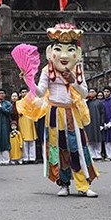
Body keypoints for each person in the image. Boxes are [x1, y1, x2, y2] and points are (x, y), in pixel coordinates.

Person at [23, 23, 99, 197]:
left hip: (72, 113)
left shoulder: (77, 70)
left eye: (70, 49)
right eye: (59, 49)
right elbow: (40, 92)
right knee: (58, 148)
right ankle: (63, 183)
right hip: (54, 114)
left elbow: (85, 93)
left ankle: (83, 184)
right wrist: (29, 80)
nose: (64, 55)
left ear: (77, 53)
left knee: (77, 147)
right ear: (51, 52)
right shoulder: (46, 70)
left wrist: (73, 81)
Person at [16, 87, 38, 163]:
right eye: (23, 92)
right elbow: (20, 112)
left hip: (30, 121)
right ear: (20, 94)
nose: (24, 93)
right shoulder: (18, 102)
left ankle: (32, 158)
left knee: (32, 140)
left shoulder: (31, 102)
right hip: (23, 121)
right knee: (24, 140)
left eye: (26, 92)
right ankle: (25, 158)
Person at [85, 88, 105, 161]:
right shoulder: (86, 103)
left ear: (96, 93)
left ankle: (98, 154)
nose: (91, 93)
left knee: (97, 139)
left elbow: (102, 113)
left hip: (97, 122)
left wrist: (102, 124)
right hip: (88, 123)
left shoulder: (99, 102)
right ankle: (92, 154)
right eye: (90, 92)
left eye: (93, 92)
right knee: (90, 139)